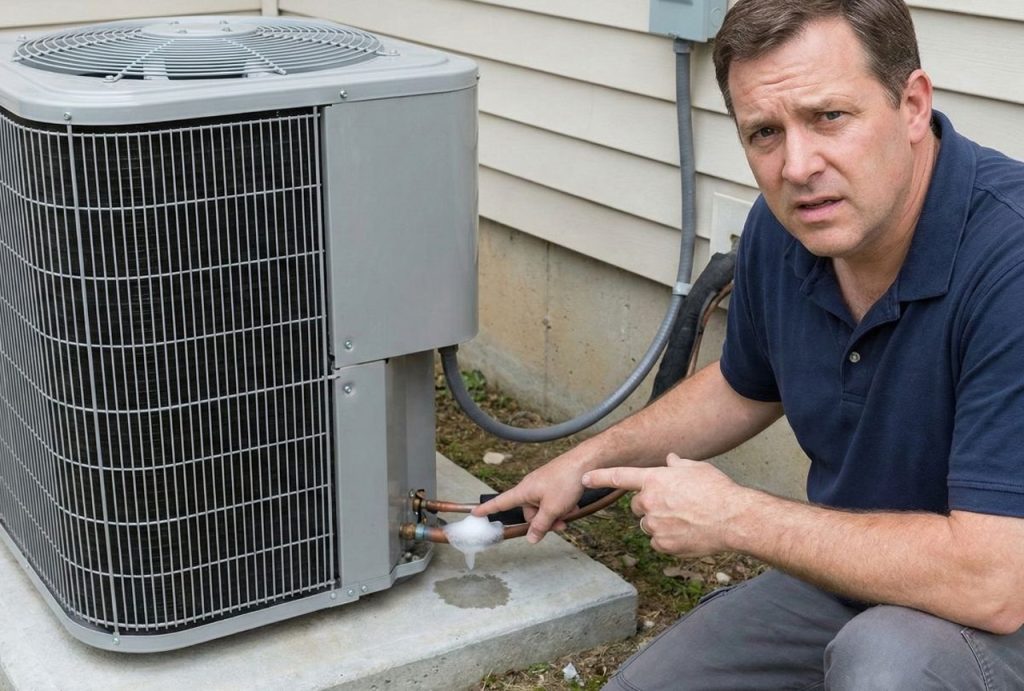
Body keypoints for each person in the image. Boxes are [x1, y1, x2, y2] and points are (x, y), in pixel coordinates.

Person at [473, 0, 1024, 687]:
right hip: (860, 574)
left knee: (887, 663)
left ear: (912, 104)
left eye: (829, 117)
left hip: (1001, 603)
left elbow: (993, 583)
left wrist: (736, 517)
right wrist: (586, 461)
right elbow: (744, 385)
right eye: (765, 132)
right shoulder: (786, 230)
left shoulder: (1009, 261)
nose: (797, 166)